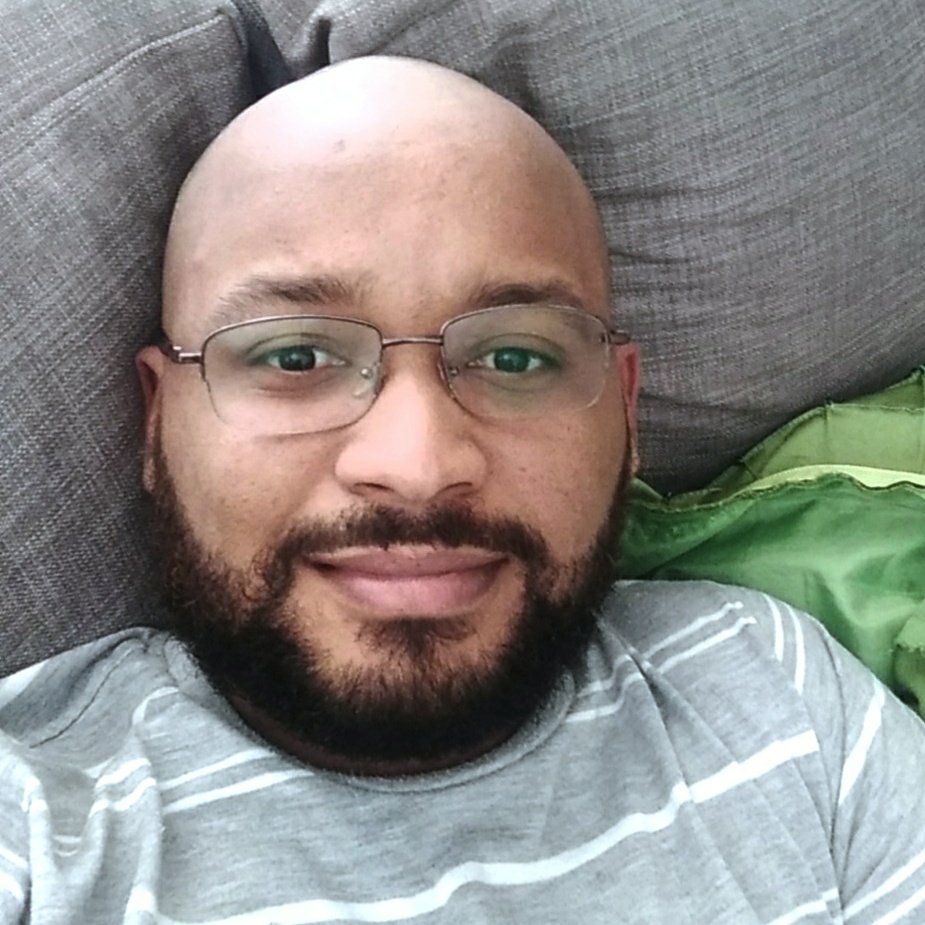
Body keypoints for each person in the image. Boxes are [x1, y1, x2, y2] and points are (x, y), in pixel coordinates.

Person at [1, 56, 924, 925]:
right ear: (158, 420)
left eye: (515, 357)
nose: (418, 463)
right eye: (296, 356)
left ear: (625, 412)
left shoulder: (775, 690)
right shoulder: (35, 826)